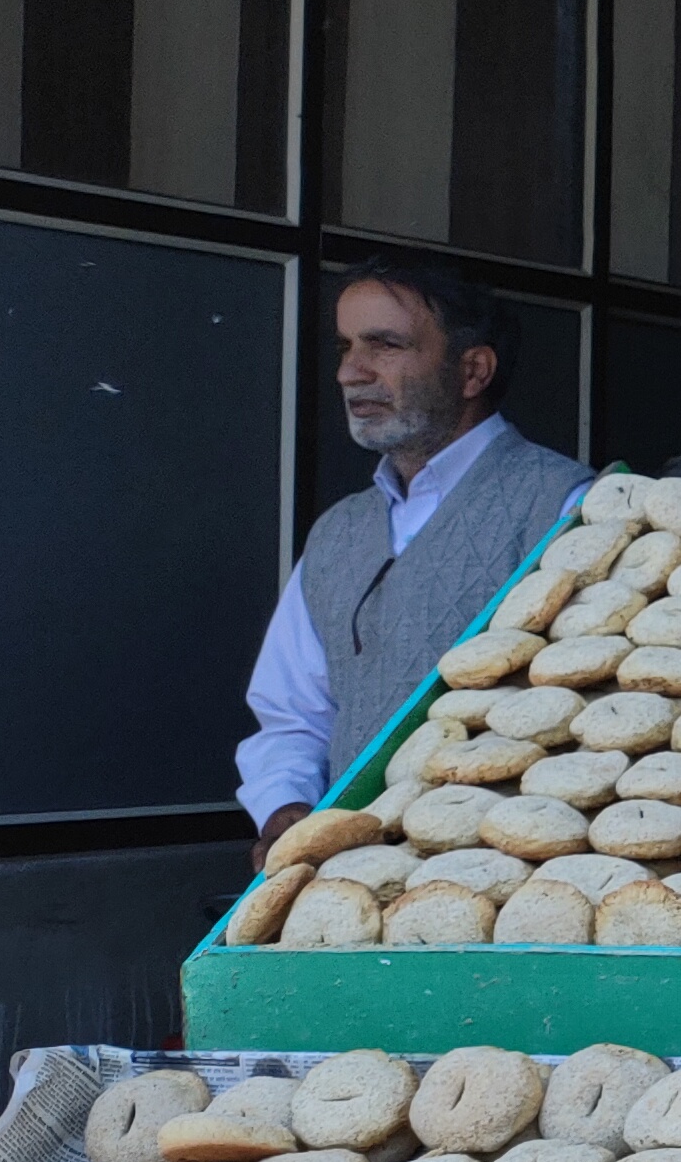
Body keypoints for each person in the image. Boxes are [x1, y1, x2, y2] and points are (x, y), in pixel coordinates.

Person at [236, 259, 587, 850]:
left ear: (472, 370)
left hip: (503, 867)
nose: (351, 371)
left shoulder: (568, 507)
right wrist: (284, 810)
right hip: (347, 871)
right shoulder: (338, 532)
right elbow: (293, 714)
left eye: (385, 345)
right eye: (347, 346)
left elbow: (582, 714)